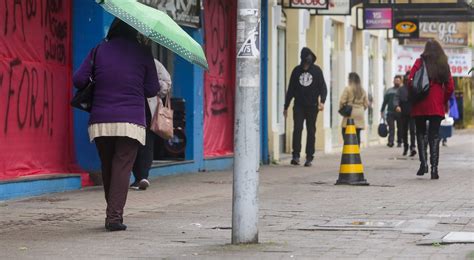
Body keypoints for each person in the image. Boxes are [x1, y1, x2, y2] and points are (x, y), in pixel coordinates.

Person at [73, 18, 160, 231]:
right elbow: (151, 89)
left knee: (108, 166)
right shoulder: (143, 52)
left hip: (101, 121)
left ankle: (112, 212)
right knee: (122, 166)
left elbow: (78, 80)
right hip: (131, 121)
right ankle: (113, 218)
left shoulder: (99, 49)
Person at [408, 40, 454, 180]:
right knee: (434, 136)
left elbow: (410, 80)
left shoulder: (419, 62)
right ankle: (434, 169)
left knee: (420, 133)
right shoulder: (443, 64)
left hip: (420, 104)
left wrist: (415, 96)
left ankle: (424, 164)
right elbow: (450, 86)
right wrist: (442, 100)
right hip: (435, 104)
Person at [130, 59, 172, 190]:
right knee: (132, 142)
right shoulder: (128, 62)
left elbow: (167, 83)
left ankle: (142, 177)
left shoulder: (154, 63)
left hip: (149, 109)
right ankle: (136, 176)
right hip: (130, 107)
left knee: (147, 143)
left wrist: (154, 84)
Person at [284, 47, 327, 167]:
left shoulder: (317, 71)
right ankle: (296, 155)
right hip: (298, 106)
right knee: (297, 128)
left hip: (312, 106)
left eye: (308, 64)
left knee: (311, 130)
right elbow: (291, 89)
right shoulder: (296, 71)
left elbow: (323, 87)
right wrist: (286, 106)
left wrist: (322, 101)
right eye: (304, 64)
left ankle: (309, 157)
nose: (306, 66)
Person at [339, 72, 369, 146]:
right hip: (360, 113)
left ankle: (349, 150)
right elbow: (366, 104)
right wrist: (361, 109)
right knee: (357, 133)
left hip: (350, 113)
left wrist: (342, 108)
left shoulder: (348, 89)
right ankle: (356, 151)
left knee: (345, 131)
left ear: (350, 79)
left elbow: (342, 101)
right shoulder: (362, 90)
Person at [394, 71, 417, 156]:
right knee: (404, 131)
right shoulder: (401, 89)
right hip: (403, 112)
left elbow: (419, 98)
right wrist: (397, 106)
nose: (408, 81)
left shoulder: (415, 88)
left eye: (410, 79)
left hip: (413, 112)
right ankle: (406, 147)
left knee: (412, 130)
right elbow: (396, 98)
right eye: (407, 79)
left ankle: (413, 147)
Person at [381, 76, 403, 147]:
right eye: (395, 80)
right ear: (393, 81)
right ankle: (391, 142)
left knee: (400, 128)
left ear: (400, 82)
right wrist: (382, 110)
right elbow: (385, 102)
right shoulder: (389, 91)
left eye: (398, 80)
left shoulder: (402, 91)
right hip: (390, 112)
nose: (397, 82)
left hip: (400, 112)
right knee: (391, 128)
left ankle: (399, 141)